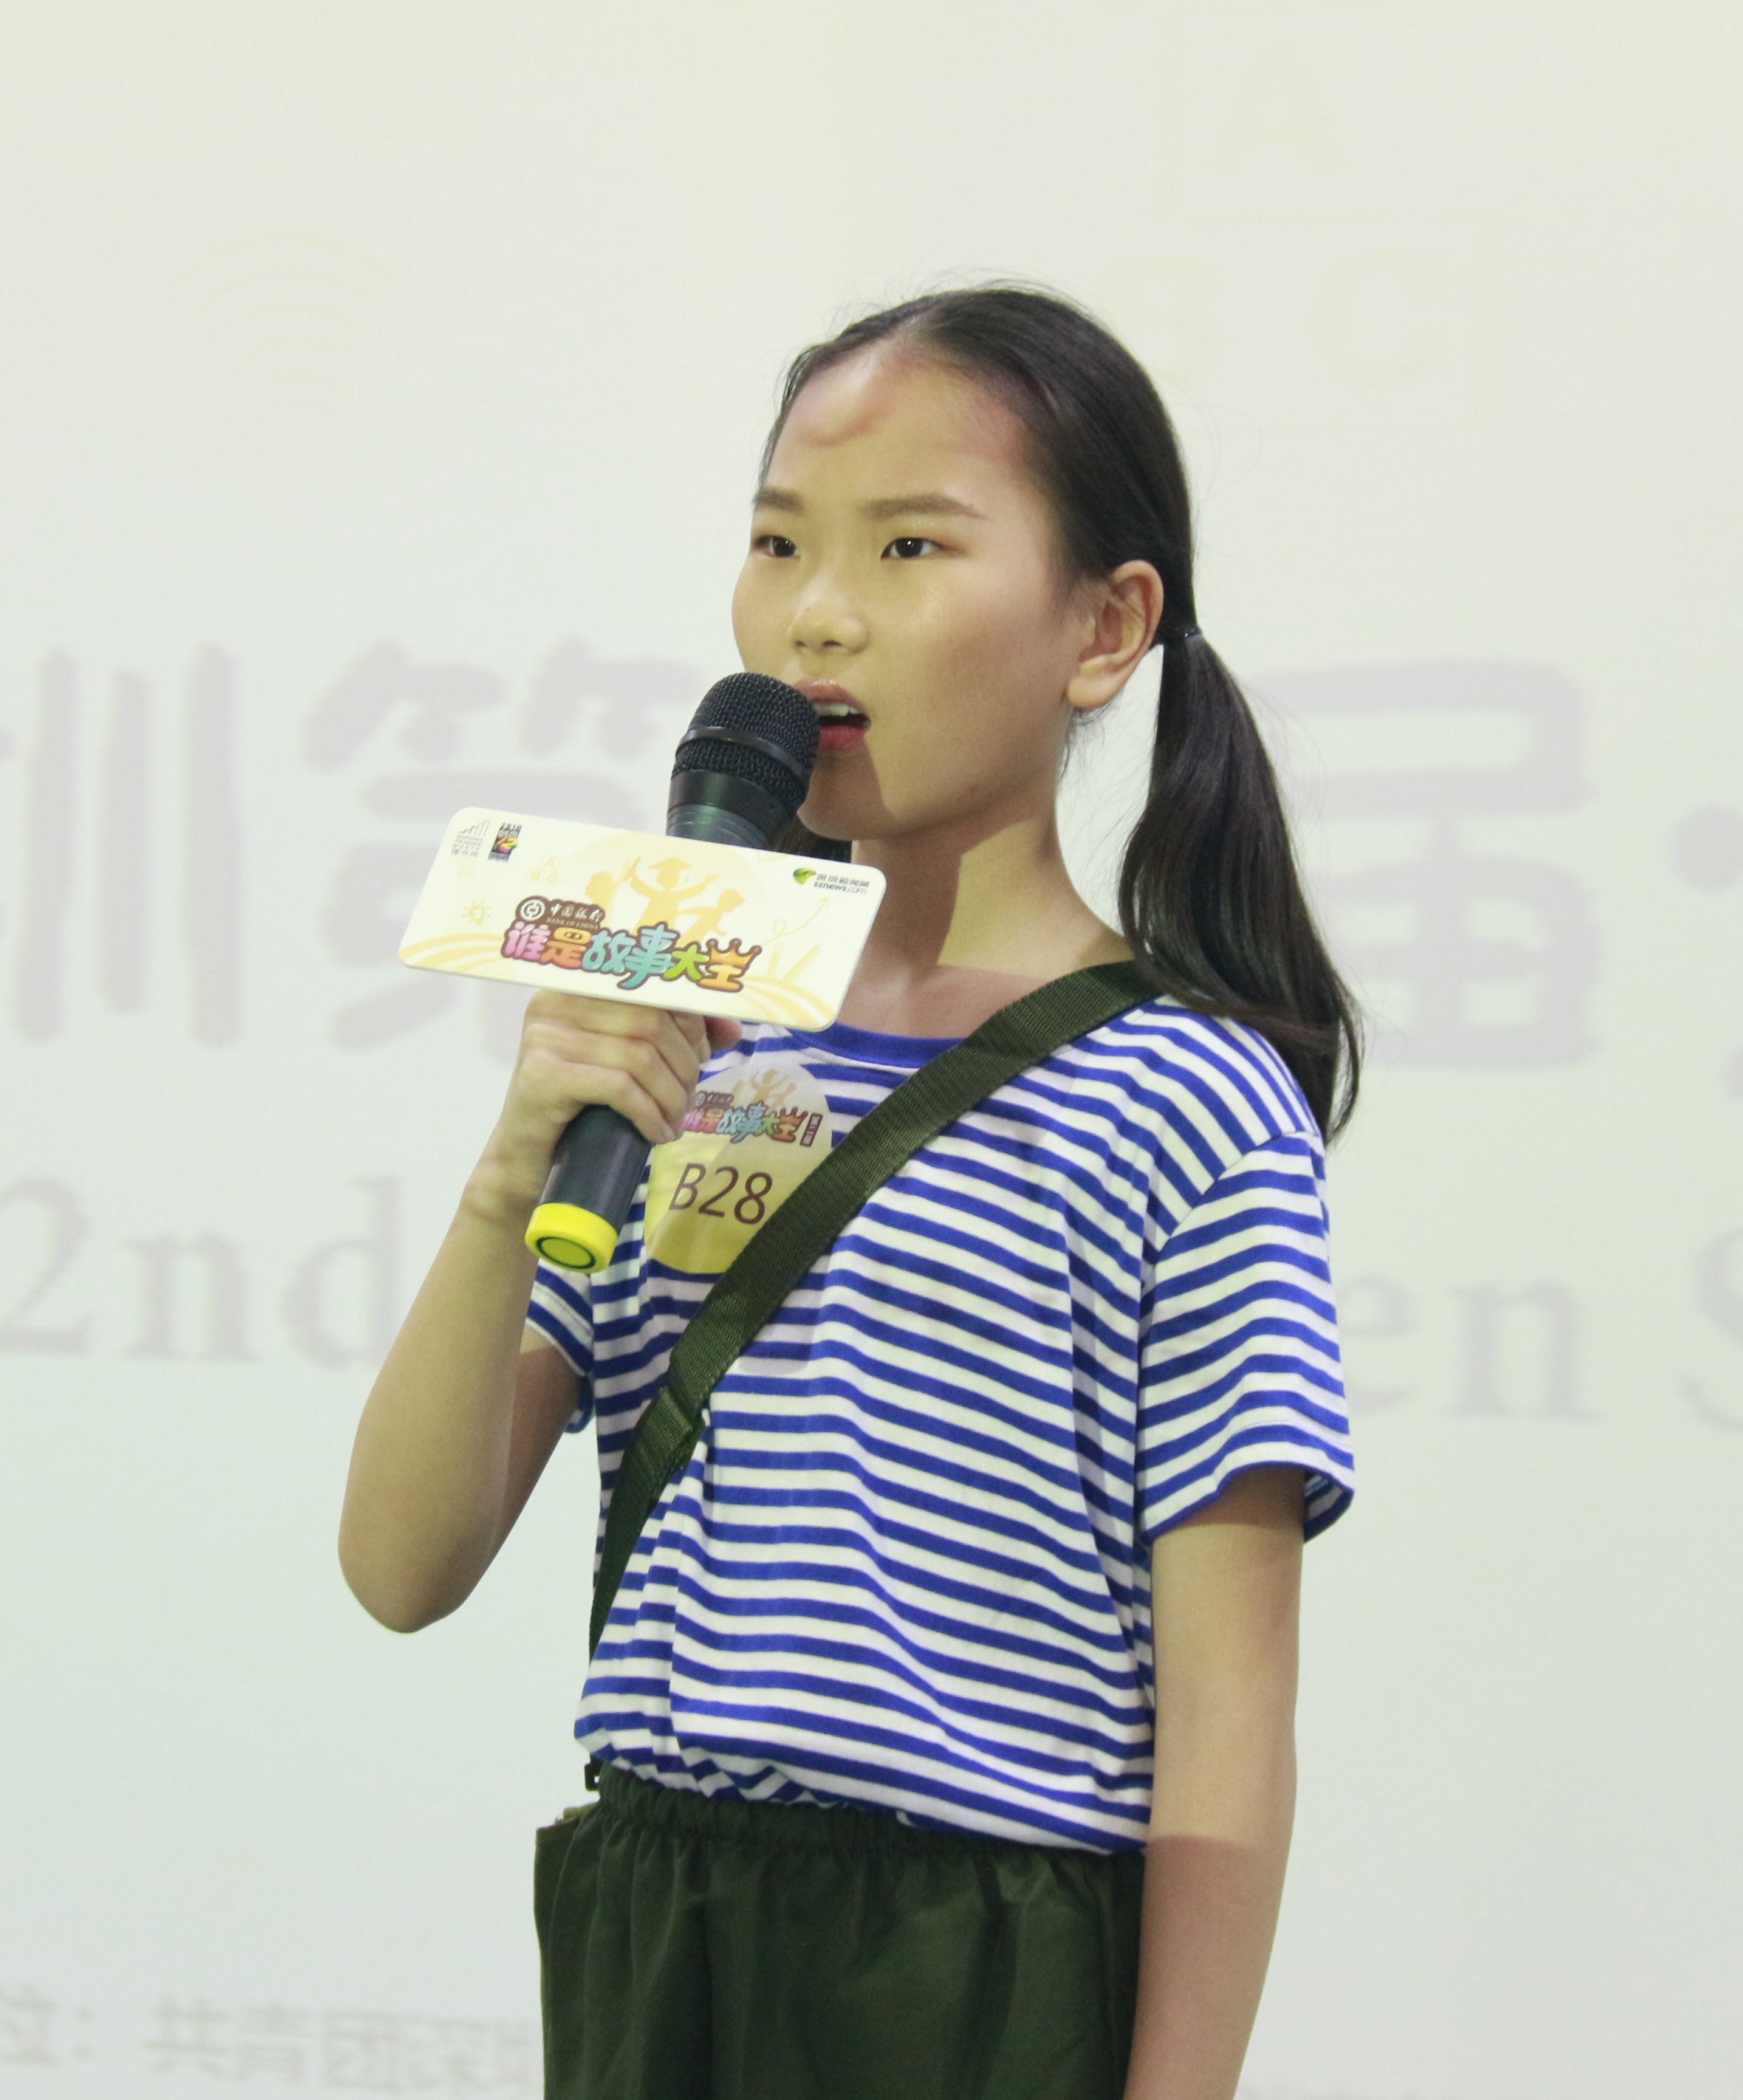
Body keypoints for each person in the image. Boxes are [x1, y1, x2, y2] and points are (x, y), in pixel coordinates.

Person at [338, 284, 1359, 2100]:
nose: (818, 611)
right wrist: (513, 1170)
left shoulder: (1180, 1090)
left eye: (909, 547)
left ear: (1106, 626)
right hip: (661, 1907)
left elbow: (1228, 1713)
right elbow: (401, 1565)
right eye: (778, 543)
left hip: (969, 1956)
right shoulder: (685, 1040)